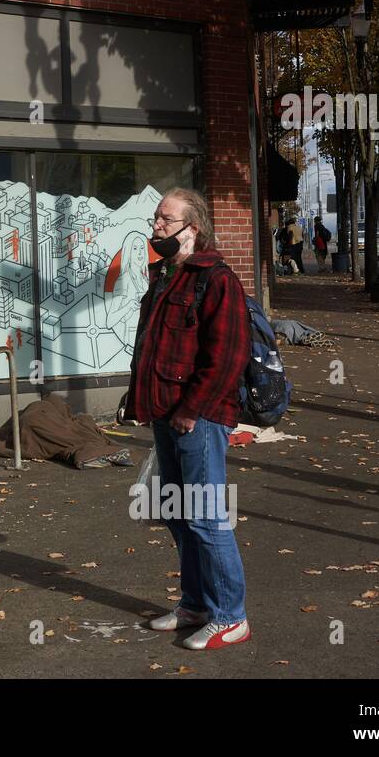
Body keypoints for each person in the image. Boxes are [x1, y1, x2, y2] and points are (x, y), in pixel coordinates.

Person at [122, 187, 252, 651]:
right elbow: (152, 348)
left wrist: (190, 410)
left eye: (165, 219)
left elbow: (227, 357)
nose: (156, 226)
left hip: (198, 418)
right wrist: (139, 402)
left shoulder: (216, 279)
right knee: (178, 516)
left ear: (192, 228)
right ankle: (196, 604)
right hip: (166, 415)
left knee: (206, 517)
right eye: (156, 218)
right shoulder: (165, 276)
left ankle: (230, 616)